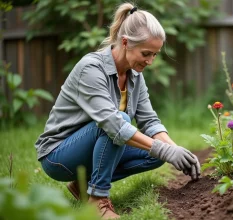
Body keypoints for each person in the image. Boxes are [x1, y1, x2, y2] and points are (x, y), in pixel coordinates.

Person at [35, 2, 201, 220]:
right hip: (58, 156)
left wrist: (175, 150)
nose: (151, 61)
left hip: (92, 146)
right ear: (125, 42)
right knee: (120, 122)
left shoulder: (135, 75)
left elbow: (149, 121)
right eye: (146, 53)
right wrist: (165, 149)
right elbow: (113, 124)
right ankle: (97, 199)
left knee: (156, 155)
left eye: (155, 54)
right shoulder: (91, 68)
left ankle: (83, 185)